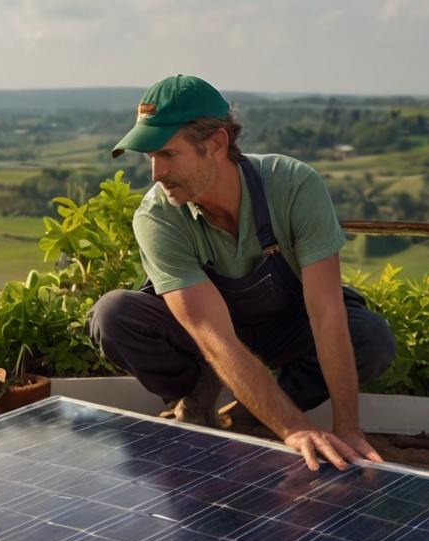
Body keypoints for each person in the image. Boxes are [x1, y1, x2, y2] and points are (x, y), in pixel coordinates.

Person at [89, 75, 396, 471]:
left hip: (285, 324)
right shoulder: (157, 217)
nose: (155, 173)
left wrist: (348, 428)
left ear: (216, 144)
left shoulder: (295, 187)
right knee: (113, 316)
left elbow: (326, 313)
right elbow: (215, 339)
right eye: (148, 157)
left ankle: (249, 417)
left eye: (167, 154)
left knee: (369, 338)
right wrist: (296, 430)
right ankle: (196, 393)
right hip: (209, 336)